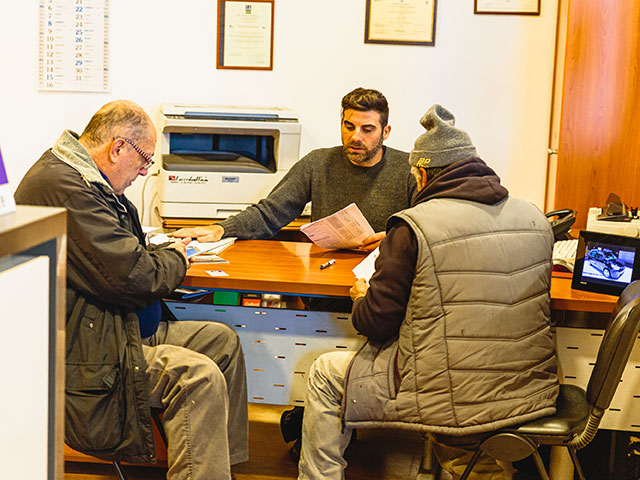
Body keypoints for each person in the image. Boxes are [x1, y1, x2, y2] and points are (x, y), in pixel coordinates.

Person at [296, 104, 559, 480]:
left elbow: (376, 324)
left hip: (449, 391)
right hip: (528, 385)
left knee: (325, 371)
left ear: (421, 173)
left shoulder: (413, 227)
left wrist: (359, 295)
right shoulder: (533, 217)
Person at [14, 100, 248, 480]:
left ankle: (222, 468)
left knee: (221, 341)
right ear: (118, 147)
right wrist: (178, 257)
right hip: (89, 349)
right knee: (197, 375)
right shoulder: (66, 188)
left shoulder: (88, 179)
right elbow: (136, 278)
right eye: (143, 161)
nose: (143, 172)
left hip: (118, 327)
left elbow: (128, 255)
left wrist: (162, 253)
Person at [170, 87, 417, 251]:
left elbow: (429, 227)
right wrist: (221, 229)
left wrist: (394, 241)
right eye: (349, 126)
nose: (355, 137)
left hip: (384, 274)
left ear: (385, 132)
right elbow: (271, 213)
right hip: (327, 272)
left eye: (367, 129)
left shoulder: (408, 171)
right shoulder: (318, 163)